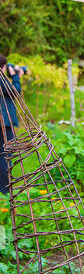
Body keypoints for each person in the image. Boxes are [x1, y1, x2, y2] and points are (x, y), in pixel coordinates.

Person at [0, 55, 24, 195]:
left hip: (3, 122)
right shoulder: (1, 79)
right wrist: (15, 76)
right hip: (4, 124)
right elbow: (15, 91)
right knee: (6, 155)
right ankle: (4, 191)